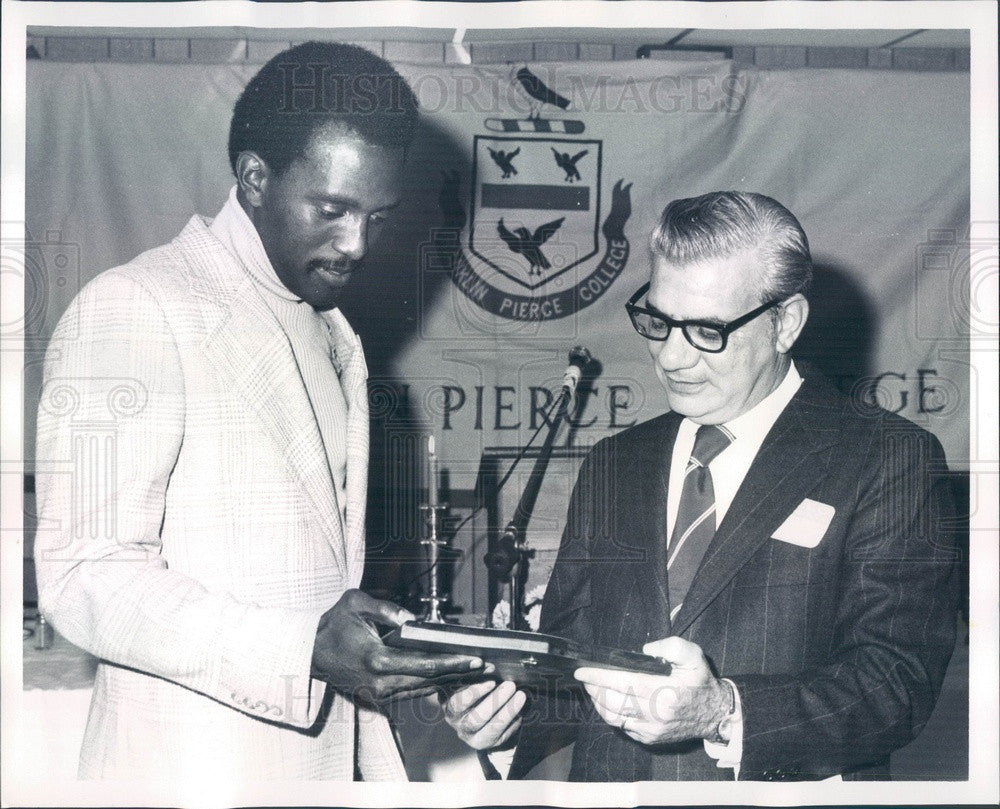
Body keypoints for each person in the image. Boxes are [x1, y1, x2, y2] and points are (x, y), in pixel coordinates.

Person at [33, 42, 483, 781]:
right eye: (333, 209)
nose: (357, 244)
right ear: (253, 179)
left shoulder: (326, 323)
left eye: (378, 216)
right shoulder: (136, 307)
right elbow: (84, 575)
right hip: (190, 776)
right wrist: (301, 645)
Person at [444, 191, 959, 781]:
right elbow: (574, 669)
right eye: (658, 322)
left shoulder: (887, 458)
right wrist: (507, 714)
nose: (671, 357)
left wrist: (722, 712)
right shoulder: (615, 463)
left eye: (707, 330)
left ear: (784, 322)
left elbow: (896, 683)